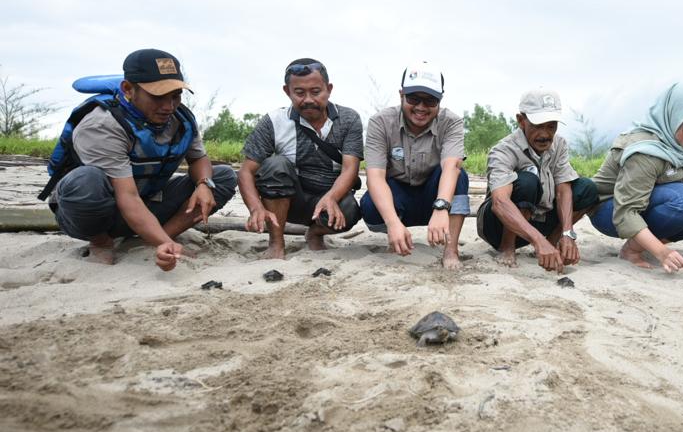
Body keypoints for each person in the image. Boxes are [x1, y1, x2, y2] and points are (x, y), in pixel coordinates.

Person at [43, 48, 237, 271]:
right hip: (93, 213)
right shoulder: (102, 125)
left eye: (175, 96)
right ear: (128, 89)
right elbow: (128, 197)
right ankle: (101, 242)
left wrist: (204, 184)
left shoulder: (181, 119)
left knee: (221, 176)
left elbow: (199, 158)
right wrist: (164, 244)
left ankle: (157, 237)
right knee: (86, 180)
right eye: (157, 97)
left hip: (146, 202)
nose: (168, 107)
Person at [589, 82, 683, 272]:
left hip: (648, 202)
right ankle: (632, 251)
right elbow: (626, 212)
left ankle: (645, 242)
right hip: (610, 210)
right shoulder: (644, 152)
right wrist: (662, 253)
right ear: (672, 117)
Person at [237, 58, 363, 259]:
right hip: (290, 198)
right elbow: (246, 171)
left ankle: (315, 233)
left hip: (329, 196)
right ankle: (276, 244)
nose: (308, 100)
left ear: (328, 89)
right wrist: (255, 208)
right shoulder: (273, 121)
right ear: (287, 92)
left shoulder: (349, 119)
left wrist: (330, 198)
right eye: (299, 93)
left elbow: (350, 168)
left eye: (316, 92)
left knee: (350, 210)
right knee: (275, 165)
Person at [360, 62, 470, 269]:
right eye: (413, 99)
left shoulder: (452, 122)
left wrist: (441, 206)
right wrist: (392, 223)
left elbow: (451, 166)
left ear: (440, 100)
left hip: (433, 195)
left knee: (460, 175)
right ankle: (398, 234)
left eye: (430, 101)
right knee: (369, 205)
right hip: (398, 196)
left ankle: (451, 249)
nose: (421, 107)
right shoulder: (380, 122)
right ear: (401, 95)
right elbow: (375, 176)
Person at [477, 89, 598, 272]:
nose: (545, 134)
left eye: (551, 126)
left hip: (538, 219)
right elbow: (499, 203)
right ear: (521, 121)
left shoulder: (559, 145)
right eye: (538, 125)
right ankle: (507, 247)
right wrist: (537, 240)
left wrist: (567, 234)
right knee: (527, 181)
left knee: (586, 188)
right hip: (497, 226)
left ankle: (552, 243)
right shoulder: (504, 150)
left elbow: (563, 189)